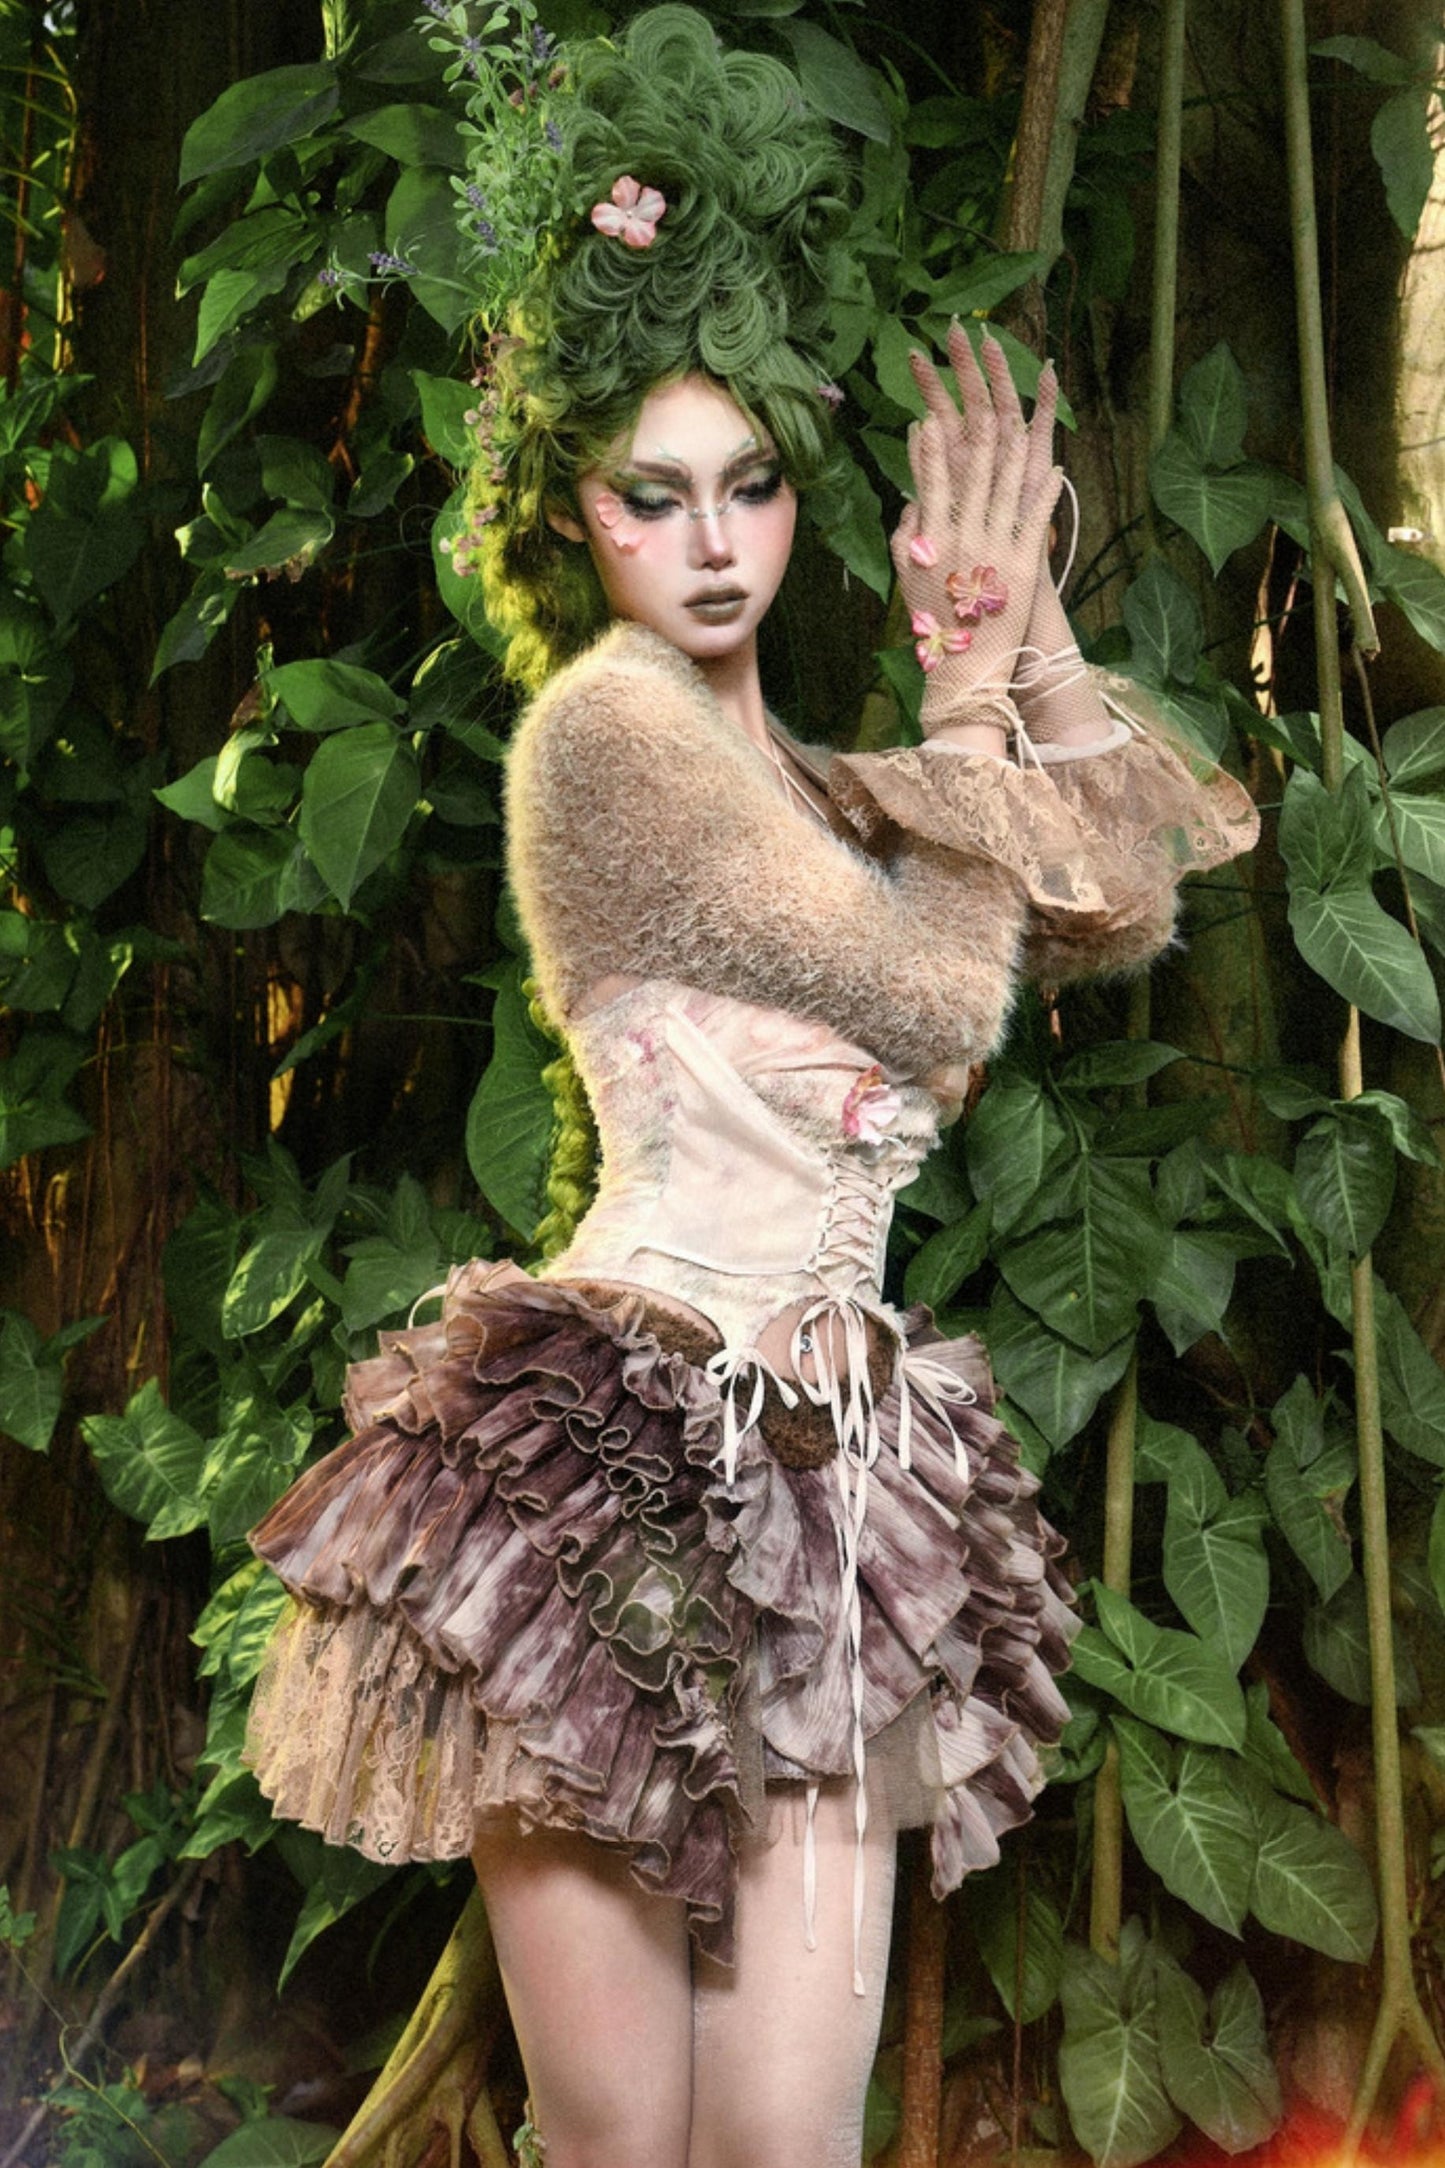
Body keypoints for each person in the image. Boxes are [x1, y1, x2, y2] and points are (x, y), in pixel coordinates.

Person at [243, 12, 1258, 2166]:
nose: (712, 543)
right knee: (627, 2144)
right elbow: (943, 993)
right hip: (607, 1473)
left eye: (753, 485)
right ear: (573, 515)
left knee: (784, 2145)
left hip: (826, 1480)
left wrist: (1021, 635)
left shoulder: (794, 774)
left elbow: (1120, 905)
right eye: (653, 495)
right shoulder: (603, 740)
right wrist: (965, 704)